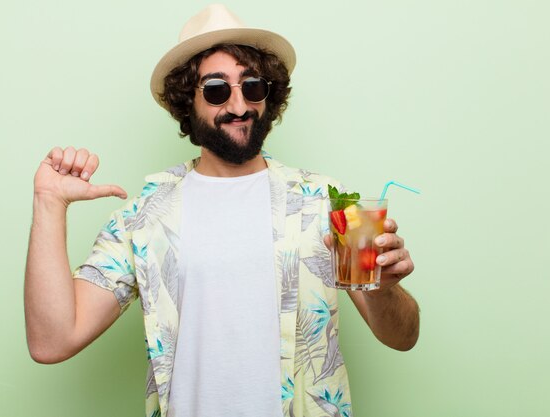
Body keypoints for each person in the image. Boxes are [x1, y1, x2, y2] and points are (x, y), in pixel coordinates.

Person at [24, 4, 419, 417]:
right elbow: (52, 341)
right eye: (216, 89)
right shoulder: (147, 215)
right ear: (186, 101)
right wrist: (49, 203)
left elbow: (402, 337)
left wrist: (386, 288)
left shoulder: (325, 202)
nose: (238, 105)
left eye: (252, 87)